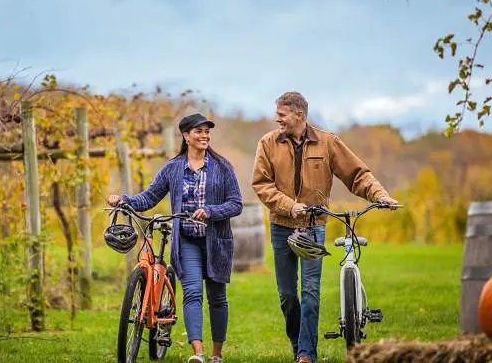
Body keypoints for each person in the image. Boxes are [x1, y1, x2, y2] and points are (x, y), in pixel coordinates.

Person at [251, 92, 398, 363]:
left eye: (281, 114)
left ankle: (307, 355)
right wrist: (288, 205)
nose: (276, 119)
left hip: (314, 226)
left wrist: (381, 196)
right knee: (287, 295)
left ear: (299, 115)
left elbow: (358, 174)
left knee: (310, 292)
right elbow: (261, 184)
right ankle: (298, 345)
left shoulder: (327, 143)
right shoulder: (268, 143)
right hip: (282, 226)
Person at [107, 112, 243, 363]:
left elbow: (236, 204)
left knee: (217, 298)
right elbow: (148, 198)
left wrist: (211, 211)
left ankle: (216, 355)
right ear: (186, 136)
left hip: (216, 242)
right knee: (192, 293)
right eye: (199, 131)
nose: (205, 135)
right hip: (187, 240)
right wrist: (124, 199)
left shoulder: (222, 168)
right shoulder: (172, 168)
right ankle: (199, 354)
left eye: (207, 131)